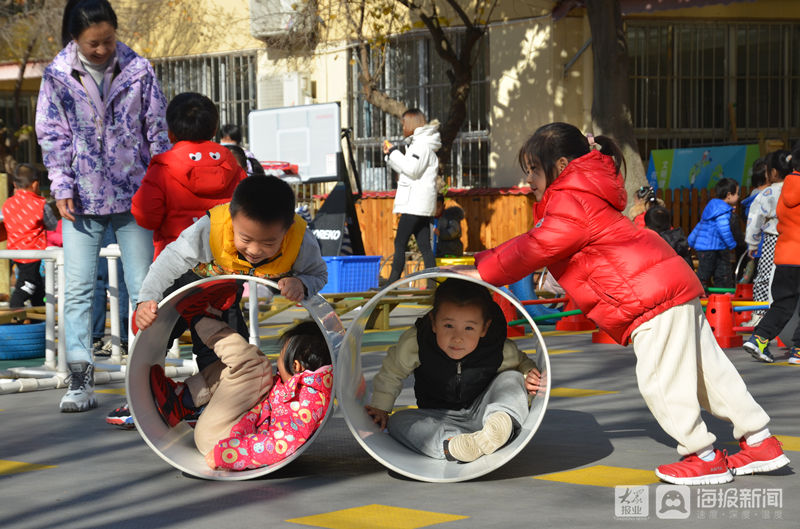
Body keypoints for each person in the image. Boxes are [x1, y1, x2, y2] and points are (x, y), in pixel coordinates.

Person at [463, 122, 788, 484]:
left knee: (660, 381)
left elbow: (537, 246)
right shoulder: (587, 190)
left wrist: (484, 270)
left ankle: (703, 455)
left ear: (561, 165)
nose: (529, 181)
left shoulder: (568, 198)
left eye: (534, 170)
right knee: (708, 374)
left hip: (649, 300)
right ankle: (760, 441)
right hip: (669, 287)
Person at [35, 0, 170, 412]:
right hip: (81, 196)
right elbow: (52, 133)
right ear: (74, 39)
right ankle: (80, 381)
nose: (101, 50)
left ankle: (150, 378)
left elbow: (157, 129)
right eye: (92, 43)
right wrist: (61, 182)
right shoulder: (57, 76)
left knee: (145, 288)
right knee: (76, 290)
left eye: (107, 40)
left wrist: (162, 182)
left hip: (135, 195)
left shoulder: (139, 70)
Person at [364, 278, 542, 462]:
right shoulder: (417, 343)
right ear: (433, 322)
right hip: (438, 417)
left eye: (469, 328)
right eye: (448, 325)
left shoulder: (497, 349)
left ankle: (501, 424)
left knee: (511, 378)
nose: (458, 338)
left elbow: (522, 362)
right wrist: (380, 407)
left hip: (484, 411)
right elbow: (392, 371)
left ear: (484, 328)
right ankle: (453, 444)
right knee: (399, 421)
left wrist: (528, 375)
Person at [135, 175, 328, 337]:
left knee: (227, 348)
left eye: (268, 243)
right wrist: (147, 299)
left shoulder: (301, 241)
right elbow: (170, 260)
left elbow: (318, 274)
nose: (254, 250)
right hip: (192, 279)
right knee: (153, 329)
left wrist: (301, 283)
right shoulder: (211, 228)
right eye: (245, 238)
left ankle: (215, 377)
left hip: (226, 290)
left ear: (287, 230)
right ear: (232, 219)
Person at [148, 318, 333, 470]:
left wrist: (227, 454)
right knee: (251, 366)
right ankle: (182, 398)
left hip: (227, 441)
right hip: (237, 429)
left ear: (296, 366)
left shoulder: (307, 402)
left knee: (255, 366)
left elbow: (278, 444)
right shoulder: (302, 388)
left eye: (280, 358)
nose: (277, 363)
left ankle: (200, 317)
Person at [132, 92, 246, 259]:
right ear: (214, 130)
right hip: (226, 268)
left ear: (170, 133)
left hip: (175, 270)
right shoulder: (233, 167)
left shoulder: (162, 170)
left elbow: (146, 217)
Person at [743, 144, 800, 365]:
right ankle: (798, 351)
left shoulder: (783, 189)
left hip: (784, 255)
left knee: (783, 303)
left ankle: (759, 338)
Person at [384, 109, 441, 283]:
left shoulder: (421, 145)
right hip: (419, 204)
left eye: (403, 124)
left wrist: (394, 152)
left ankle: (391, 284)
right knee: (424, 246)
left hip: (415, 204)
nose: (402, 127)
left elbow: (411, 170)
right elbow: (408, 169)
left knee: (400, 243)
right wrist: (390, 156)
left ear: (410, 123)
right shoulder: (421, 144)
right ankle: (432, 285)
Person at [743, 150, 792, 331]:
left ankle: (760, 314)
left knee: (764, 276)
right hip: (794, 239)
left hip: (773, 238)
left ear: (772, 172)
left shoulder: (769, 192)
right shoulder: (795, 188)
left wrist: (752, 243)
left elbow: (755, 219)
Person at [2, 164, 56, 308]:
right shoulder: (40, 204)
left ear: (14, 184)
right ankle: (13, 313)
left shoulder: (8, 204)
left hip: (15, 252)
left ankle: (38, 316)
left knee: (37, 287)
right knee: (27, 286)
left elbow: (3, 221)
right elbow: (52, 225)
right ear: (35, 184)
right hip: (32, 253)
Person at [688, 177, 740, 291]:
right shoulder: (722, 210)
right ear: (729, 195)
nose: (739, 196)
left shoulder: (712, 207)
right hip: (713, 249)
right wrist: (732, 244)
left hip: (707, 248)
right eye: (737, 193)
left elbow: (700, 226)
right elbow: (724, 229)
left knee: (707, 272)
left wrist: (690, 241)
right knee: (718, 273)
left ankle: (702, 292)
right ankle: (714, 293)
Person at [91, 226, 129, 357]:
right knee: (114, 280)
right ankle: (124, 339)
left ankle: (96, 338)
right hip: (116, 214)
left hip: (90, 214)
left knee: (99, 280)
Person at [738, 158, 768, 284]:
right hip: (764, 247)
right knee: (763, 279)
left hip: (757, 247)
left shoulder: (752, 198)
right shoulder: (762, 199)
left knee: (758, 278)